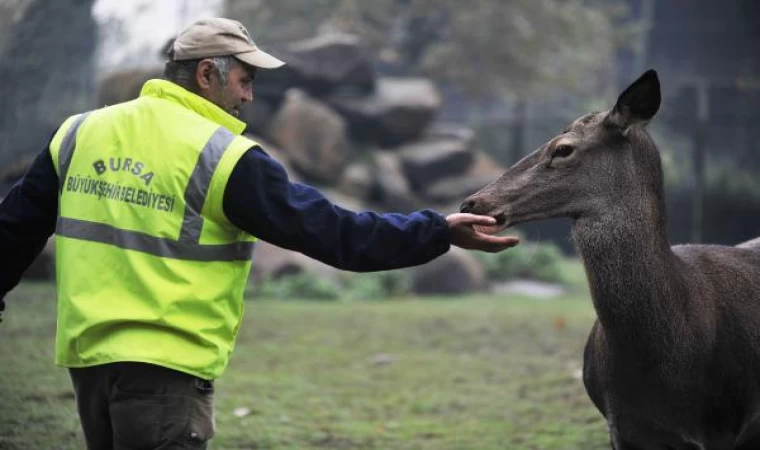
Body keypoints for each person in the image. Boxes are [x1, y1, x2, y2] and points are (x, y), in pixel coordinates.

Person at [0, 17, 519, 449]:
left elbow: (14, 227)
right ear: (207, 73)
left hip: (87, 362)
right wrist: (438, 231)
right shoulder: (224, 157)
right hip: (164, 373)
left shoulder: (78, 132)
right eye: (245, 80)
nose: (249, 96)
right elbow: (337, 234)